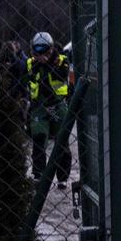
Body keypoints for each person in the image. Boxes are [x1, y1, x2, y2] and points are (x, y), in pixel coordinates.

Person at [25, 32, 72, 188]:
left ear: (51, 49)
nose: (41, 55)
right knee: (39, 138)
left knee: (62, 140)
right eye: (37, 52)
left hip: (58, 104)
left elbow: (62, 74)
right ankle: (39, 175)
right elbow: (28, 76)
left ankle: (62, 177)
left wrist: (48, 63)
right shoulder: (31, 63)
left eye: (44, 51)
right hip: (39, 106)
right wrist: (39, 63)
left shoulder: (62, 61)